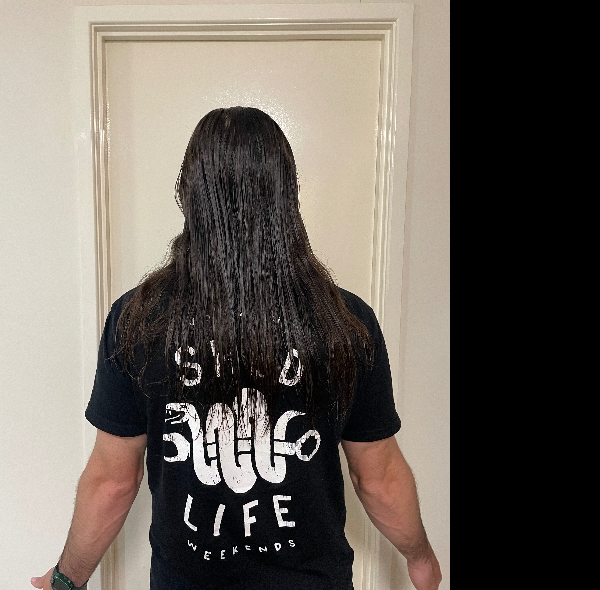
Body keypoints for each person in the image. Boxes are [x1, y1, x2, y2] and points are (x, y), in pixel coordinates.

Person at [32, 107, 441, 590]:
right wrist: (420, 557)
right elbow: (379, 477)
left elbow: (112, 481)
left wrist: (67, 579)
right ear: (288, 194)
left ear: (188, 192)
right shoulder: (345, 322)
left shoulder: (138, 319)